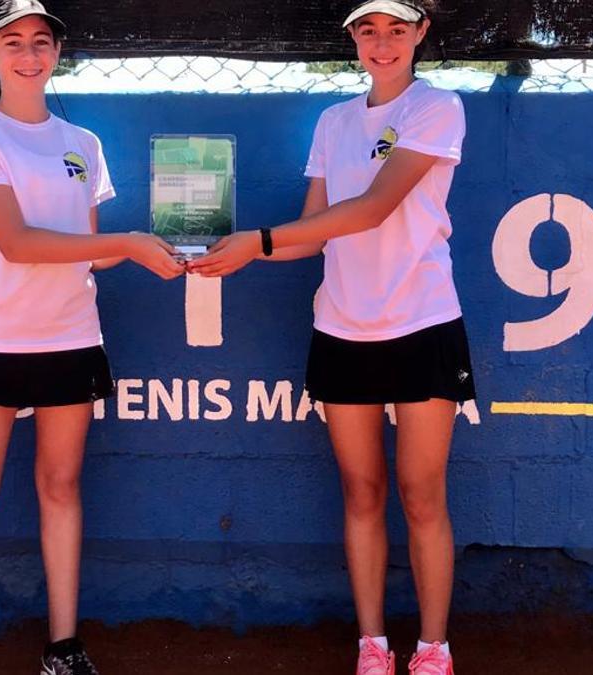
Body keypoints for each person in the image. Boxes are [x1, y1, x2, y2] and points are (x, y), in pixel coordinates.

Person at [189, 2, 473, 673]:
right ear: (352, 38)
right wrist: (233, 252)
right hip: (341, 329)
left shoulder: (438, 108)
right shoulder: (333, 122)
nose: (383, 44)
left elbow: (375, 208)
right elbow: (314, 230)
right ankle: (372, 645)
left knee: (421, 492)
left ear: (420, 34)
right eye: (368, 31)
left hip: (423, 324)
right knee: (361, 491)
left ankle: (433, 648)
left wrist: (261, 239)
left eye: (397, 30)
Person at [0, 2, 184, 674]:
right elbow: (17, 241)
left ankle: (63, 648)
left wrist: (174, 250)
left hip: (71, 339)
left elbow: (86, 251)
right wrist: (124, 241)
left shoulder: (83, 144)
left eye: (41, 42)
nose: (29, 55)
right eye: (14, 43)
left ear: (57, 52)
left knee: (61, 487)